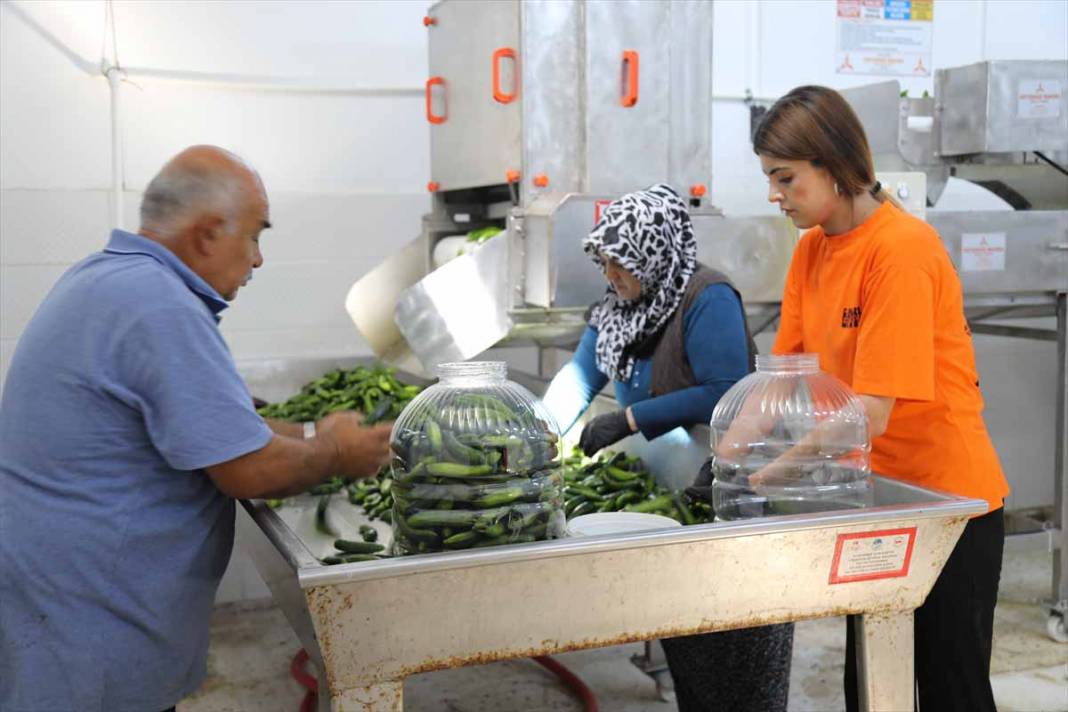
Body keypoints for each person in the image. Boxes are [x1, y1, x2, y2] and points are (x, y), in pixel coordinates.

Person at [0, 146, 393, 712]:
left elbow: (227, 426)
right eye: (256, 236)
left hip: (63, 593)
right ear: (209, 232)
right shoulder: (158, 304)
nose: (257, 260)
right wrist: (334, 451)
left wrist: (313, 430)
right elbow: (249, 469)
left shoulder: (112, 278)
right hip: (88, 615)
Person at [751, 85, 1010, 711]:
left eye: (785, 178)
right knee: (871, 685)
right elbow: (781, 377)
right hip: (874, 501)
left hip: (950, 506)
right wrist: (724, 459)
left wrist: (762, 479)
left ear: (835, 164)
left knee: (951, 687)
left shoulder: (902, 251)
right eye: (769, 178)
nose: (773, 195)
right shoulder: (812, 248)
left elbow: (868, 413)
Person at [541, 183, 794, 711]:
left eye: (620, 264)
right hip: (672, 476)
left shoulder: (708, 298)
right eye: (605, 264)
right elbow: (580, 376)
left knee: (731, 633)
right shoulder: (619, 306)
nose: (611, 276)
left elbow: (724, 390)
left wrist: (631, 417)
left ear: (652, 254)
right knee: (686, 624)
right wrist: (540, 433)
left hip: (725, 477)